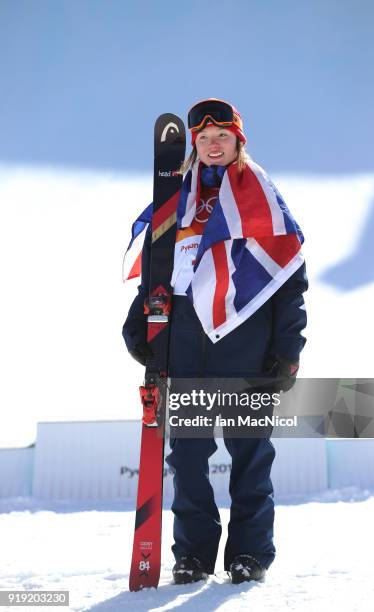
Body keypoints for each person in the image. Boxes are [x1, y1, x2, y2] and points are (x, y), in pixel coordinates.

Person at [123, 98, 308, 584]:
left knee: (248, 452)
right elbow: (159, 273)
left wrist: (288, 349)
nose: (212, 144)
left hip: (246, 339)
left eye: (221, 136)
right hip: (186, 339)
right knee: (187, 457)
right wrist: (139, 322)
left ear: (237, 141)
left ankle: (249, 554)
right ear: (194, 145)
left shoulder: (264, 200)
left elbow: (288, 281)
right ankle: (194, 556)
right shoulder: (175, 202)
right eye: (203, 138)